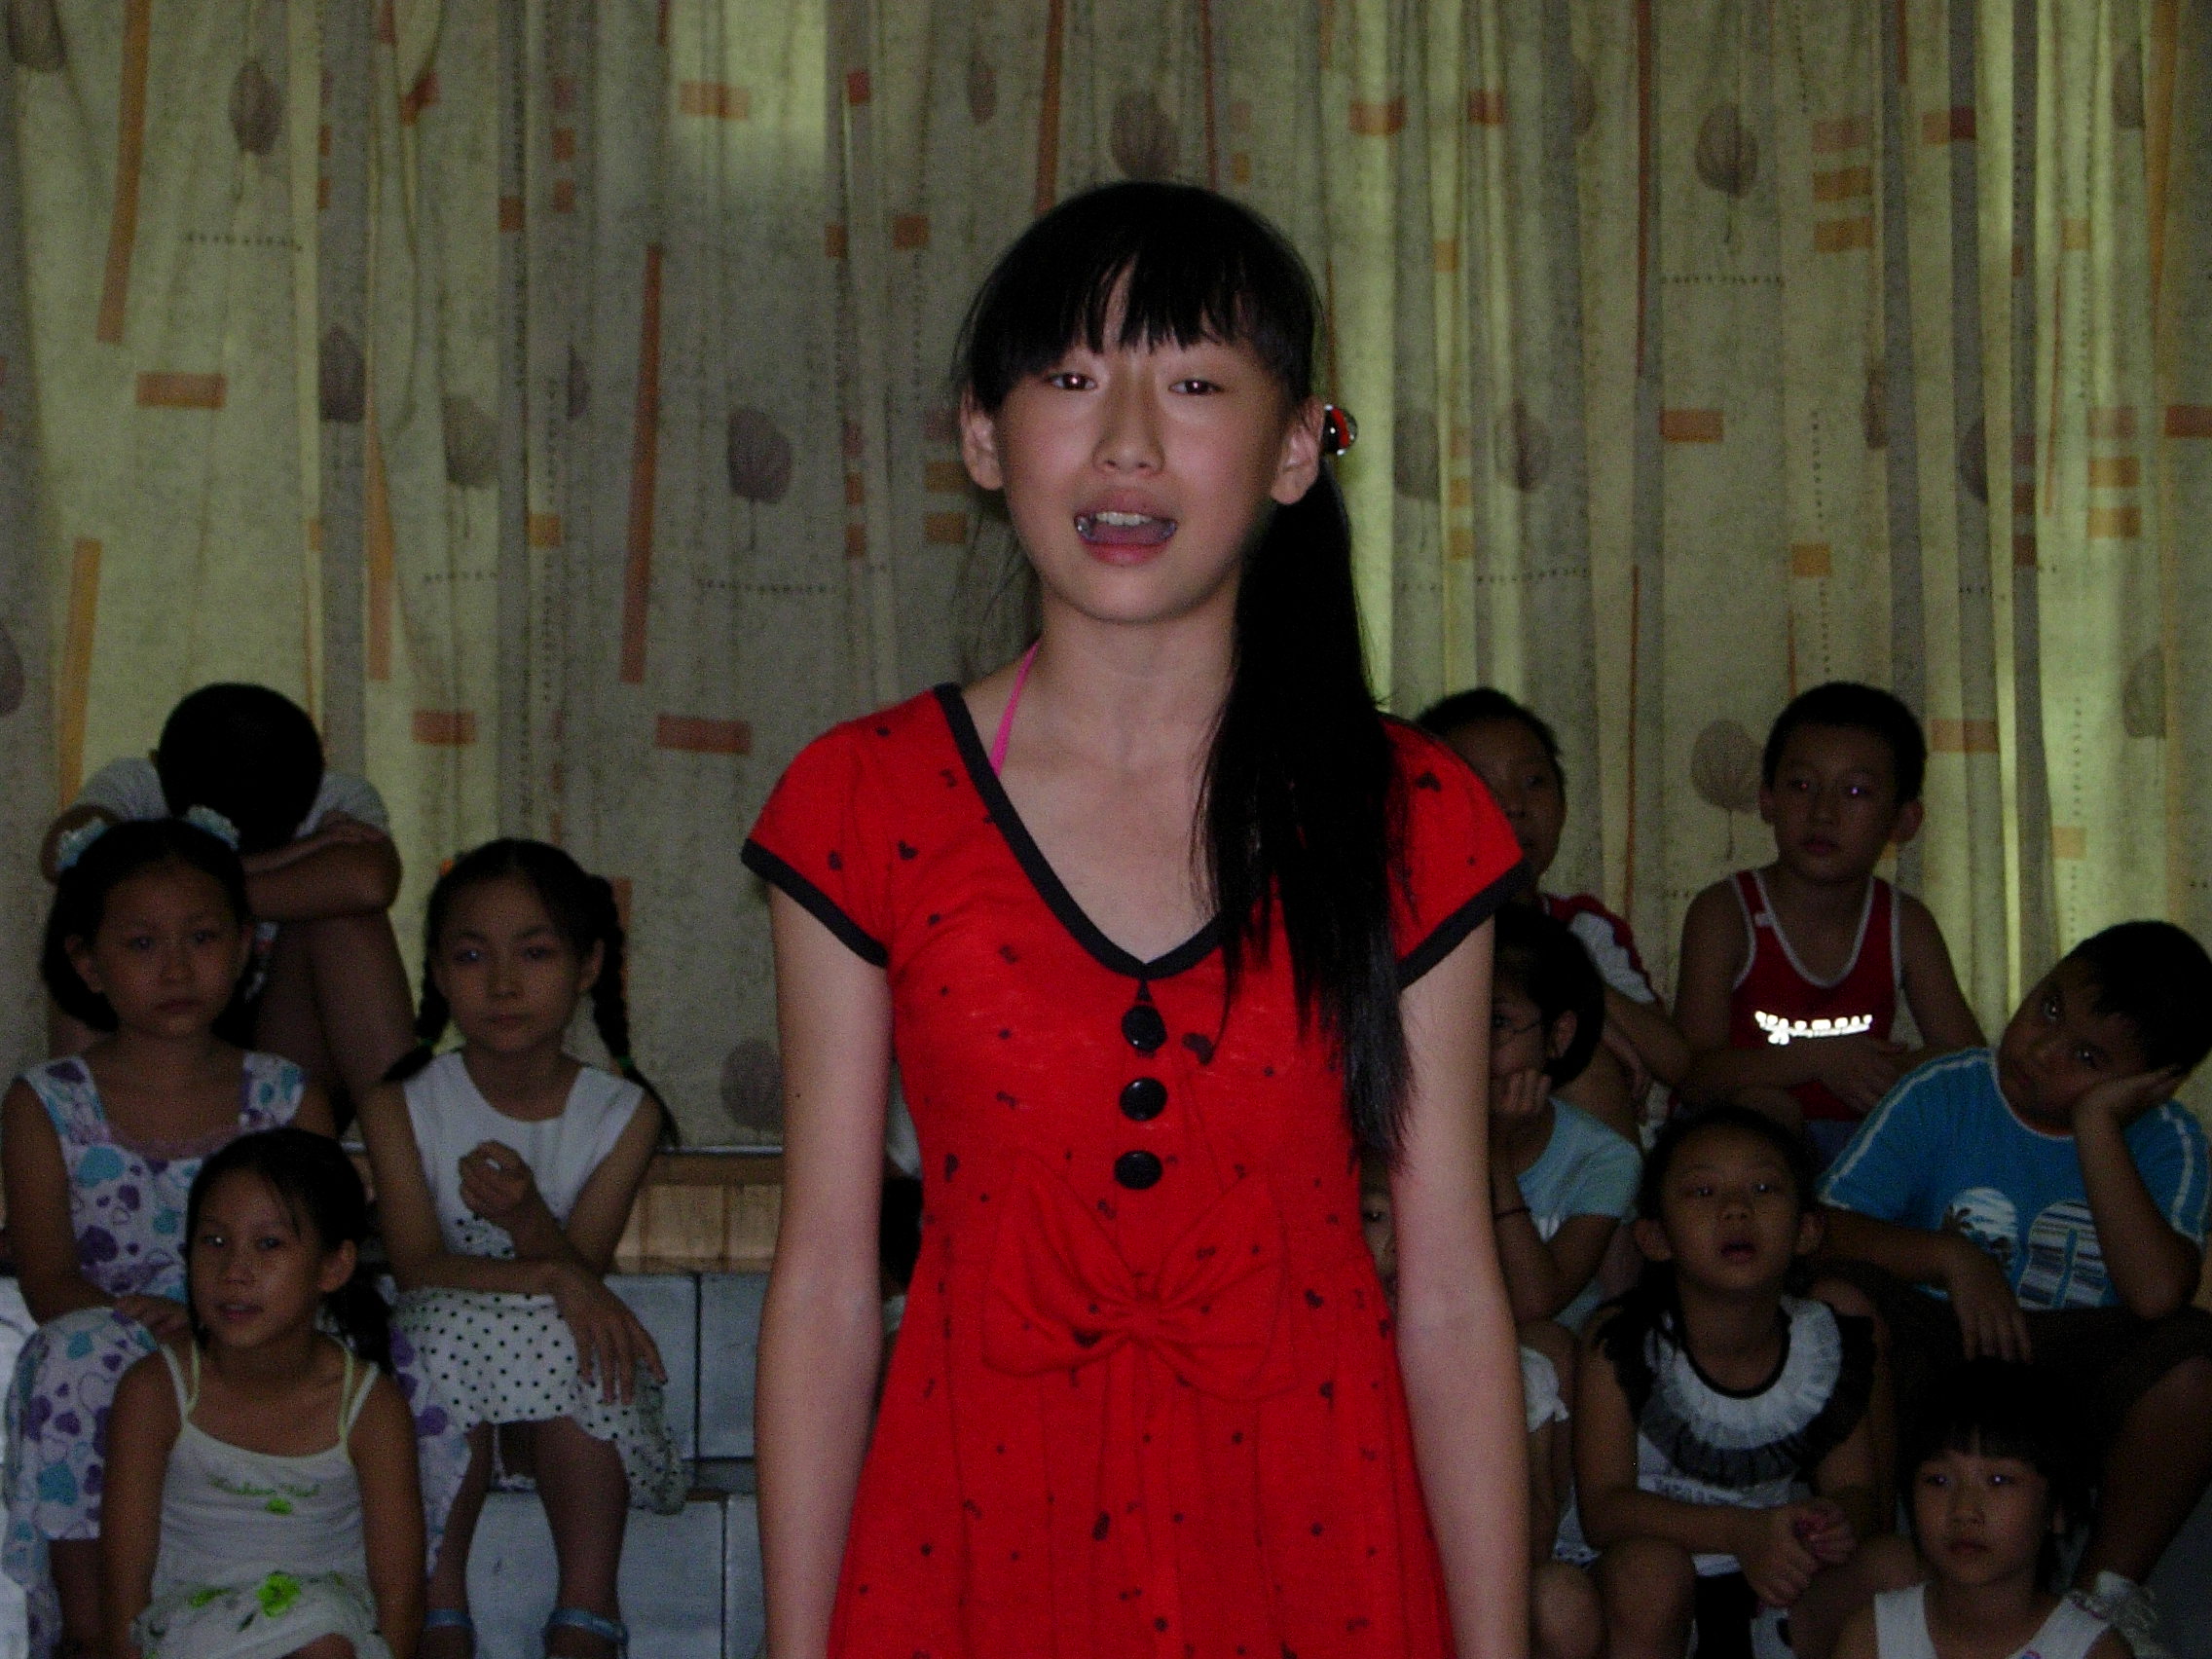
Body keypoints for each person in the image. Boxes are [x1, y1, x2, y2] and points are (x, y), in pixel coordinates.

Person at [745, 181, 1530, 1659]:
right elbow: (830, 1284)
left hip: (1318, 1536)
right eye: (1068, 379)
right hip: (972, 1531)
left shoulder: (1415, 813)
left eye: (1193, 385)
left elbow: (1447, 1298)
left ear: (1294, 449)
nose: (1124, 441)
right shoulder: (863, 799)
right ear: (985, 439)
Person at [1817, 921, 2212, 1659]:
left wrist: (2098, 1126)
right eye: (2050, 1008)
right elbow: (1823, 1228)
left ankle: (2101, 1600)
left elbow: (2158, 1295)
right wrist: (1949, 1258)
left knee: (2195, 1355)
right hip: (1944, 1342)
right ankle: (1877, 1566)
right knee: (1837, 1300)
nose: (2042, 1048)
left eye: (2088, 1058)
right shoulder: (1947, 1088)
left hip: (2070, 1368)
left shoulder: (2170, 1139)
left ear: (2151, 1084)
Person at [2, 819, 337, 1659]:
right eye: (143, 943)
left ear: (246, 946)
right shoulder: (47, 1102)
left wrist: (222, 1326)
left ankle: (388, 1607)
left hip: (267, 1330)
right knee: (78, 1356)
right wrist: (149, 1324)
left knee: (389, 1354)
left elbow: (317, 1250)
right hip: (120, 1331)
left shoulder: (288, 1097)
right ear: (88, 963)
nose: (177, 968)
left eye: (202, 938)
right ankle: (91, 1629)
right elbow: (47, 1277)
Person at [356, 839, 679, 1659]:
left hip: (551, 1384)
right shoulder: (401, 1105)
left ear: (586, 965)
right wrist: (548, 1271)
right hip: (442, 1369)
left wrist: (531, 1220)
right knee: (439, 1325)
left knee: (581, 1328)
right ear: (438, 971)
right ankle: (438, 1607)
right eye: (472, 957)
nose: (502, 984)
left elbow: (584, 1270)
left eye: (535, 953)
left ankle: (587, 1611)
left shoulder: (623, 1114)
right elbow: (417, 1267)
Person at [1576, 1107, 1915, 1659]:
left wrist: (1829, 1522)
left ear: (1806, 1229)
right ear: (1655, 1237)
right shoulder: (1624, 1340)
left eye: (1763, 1188)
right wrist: (1739, 1532)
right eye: (1702, 1192)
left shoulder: (1823, 1341)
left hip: (1778, 1578)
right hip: (1651, 1581)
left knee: (1893, 1565)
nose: (1736, 1209)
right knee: (1650, 1572)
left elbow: (1856, 1493)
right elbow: (1604, 1510)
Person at [98, 1128, 425, 1659]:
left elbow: (400, 1600)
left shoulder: (367, 1407)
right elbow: (123, 1595)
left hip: (327, 1635)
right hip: (189, 1634)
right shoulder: (156, 1392)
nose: (234, 1272)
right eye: (214, 1242)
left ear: (333, 1266)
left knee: (323, 1641)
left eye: (269, 1244)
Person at [39, 685, 417, 1126]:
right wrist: (291, 857)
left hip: (282, 1035)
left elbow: (371, 884)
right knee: (88, 913)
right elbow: (63, 857)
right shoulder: (138, 784)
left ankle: (408, 1139)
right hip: (147, 1030)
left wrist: (181, 890)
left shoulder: (329, 796)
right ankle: (82, 1128)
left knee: (347, 920)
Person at [1675, 682, 1984, 1166]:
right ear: (1767, 799)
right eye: (1801, 786)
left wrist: (1888, 1070)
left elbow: (1969, 1067)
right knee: (1767, 1108)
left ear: (1903, 821)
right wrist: (1820, 1058)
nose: (1823, 813)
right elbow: (1693, 1074)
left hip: (1861, 1148)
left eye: (1856, 791)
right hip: (1741, 1153)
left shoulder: (1905, 924)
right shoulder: (1725, 913)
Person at [1421, 688, 1688, 1140]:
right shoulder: (1412, 936)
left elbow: (1676, 1063)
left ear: (1564, 806)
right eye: (1481, 785)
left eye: (1534, 782)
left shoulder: (1583, 927)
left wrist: (1583, 999)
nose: (1514, 805)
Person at [1361, 1157, 1602, 1659]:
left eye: (1425, 1216)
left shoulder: (1515, 1372)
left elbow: (1532, 1534)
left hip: (1477, 1588)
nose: (1404, 1241)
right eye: (1377, 1216)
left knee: (1561, 1600)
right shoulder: (1329, 1375)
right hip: (1369, 1580)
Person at [1832, 1359, 2122, 1659]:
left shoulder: (2091, 1651)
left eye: (1999, 1480)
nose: (1964, 1510)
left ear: (2057, 1507)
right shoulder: (1873, 1639)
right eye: (1939, 1480)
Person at [1488, 905, 1640, 1377]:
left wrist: (1493, 1154)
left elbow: (1535, 1302)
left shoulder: (1605, 1158)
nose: (1470, 1044)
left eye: (1496, 1023)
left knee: (1546, 1345)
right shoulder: (1408, 1138)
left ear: (1558, 1035)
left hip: (1556, 1371)